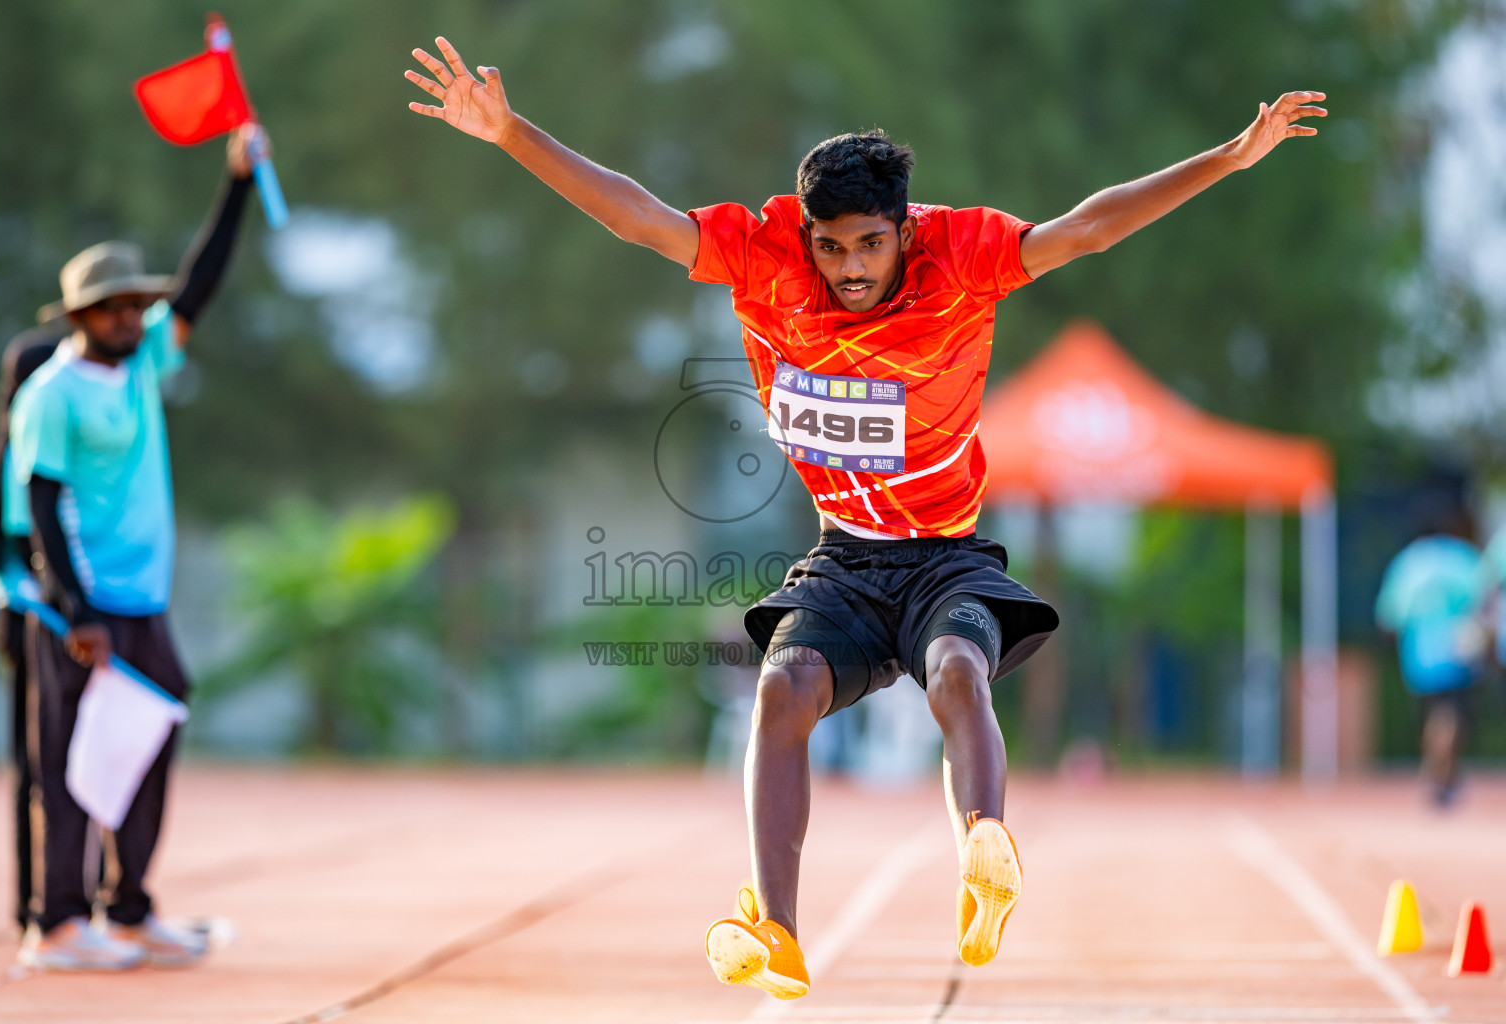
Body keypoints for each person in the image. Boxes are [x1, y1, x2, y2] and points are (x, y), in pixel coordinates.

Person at [404, 36, 1324, 999]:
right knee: (778, 691)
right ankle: (778, 927)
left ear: (904, 231)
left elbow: (1088, 229)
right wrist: (510, 134)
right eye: (830, 246)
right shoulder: (764, 257)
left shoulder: (964, 255)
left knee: (959, 675)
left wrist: (1226, 157)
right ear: (805, 234)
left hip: (945, 558)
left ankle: (984, 856)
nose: (848, 267)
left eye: (869, 245)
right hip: (842, 560)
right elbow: (638, 218)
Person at [9, 123, 267, 971]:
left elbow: (198, 288)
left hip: (143, 599)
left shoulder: (145, 361)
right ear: (81, 316)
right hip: (81, 603)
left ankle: (128, 909)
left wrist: (236, 183)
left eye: (135, 304)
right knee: (68, 759)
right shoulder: (52, 393)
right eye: (114, 307)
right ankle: (57, 924)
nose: (132, 317)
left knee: (151, 733)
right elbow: (40, 502)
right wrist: (76, 611)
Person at [0, 324, 63, 936]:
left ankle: (61, 898)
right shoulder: (12, 453)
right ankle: (32, 903)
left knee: (59, 768)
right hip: (30, 623)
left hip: (63, 622)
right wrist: (22, 597)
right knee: (32, 769)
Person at [1375, 521, 1486, 808]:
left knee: (1434, 713)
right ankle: (1442, 774)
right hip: (1458, 649)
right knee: (1452, 714)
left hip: (1419, 653)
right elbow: (1485, 602)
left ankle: (1439, 772)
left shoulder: (1409, 562)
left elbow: (1389, 616)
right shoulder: (1464, 558)